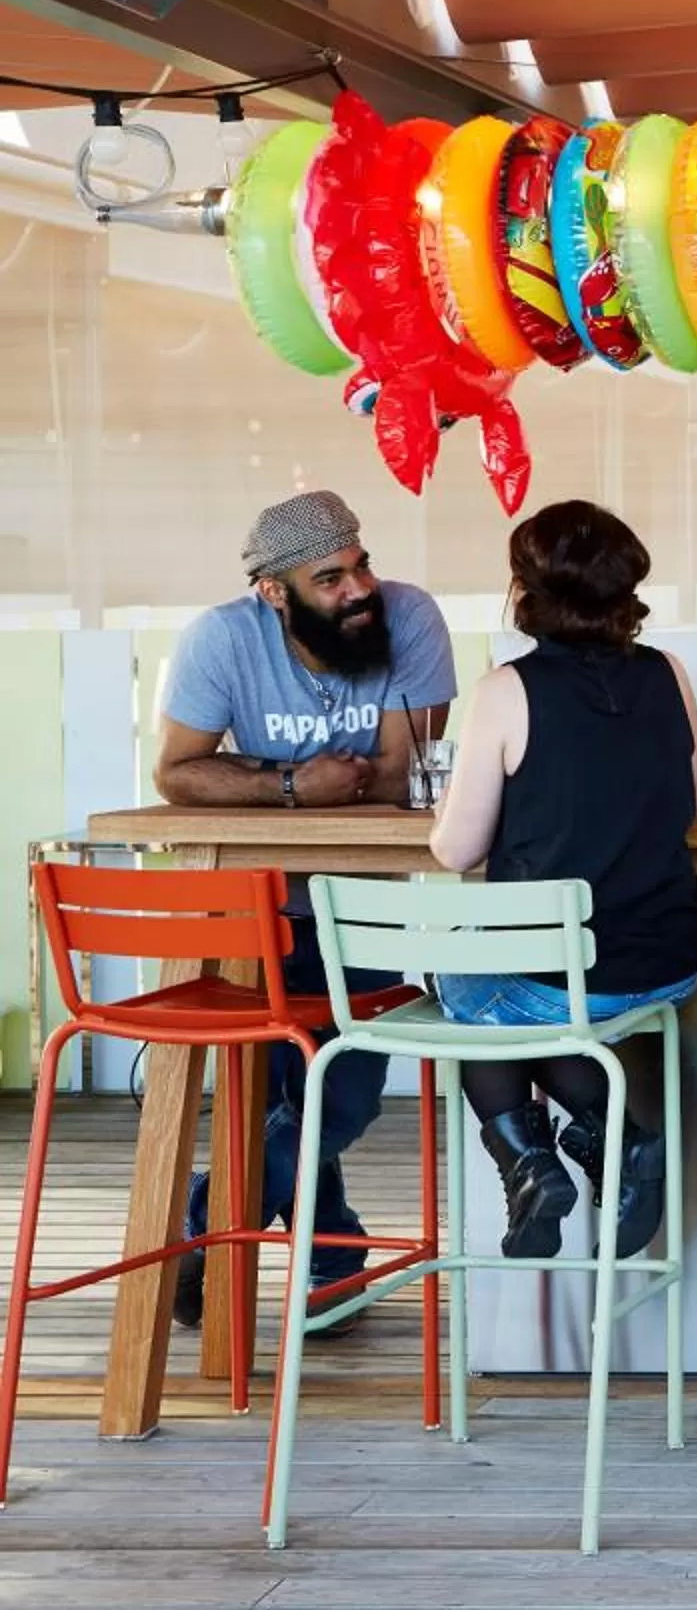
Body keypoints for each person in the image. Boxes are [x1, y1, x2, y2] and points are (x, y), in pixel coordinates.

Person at [155, 490, 456, 1331]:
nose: (360, 589)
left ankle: (205, 1224)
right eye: (331, 578)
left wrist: (253, 780)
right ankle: (333, 1255)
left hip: (363, 900)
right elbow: (176, 773)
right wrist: (294, 785)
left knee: (344, 1090)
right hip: (251, 905)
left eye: (361, 565)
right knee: (277, 1093)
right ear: (273, 592)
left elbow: (399, 778)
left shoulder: (410, 619)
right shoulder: (221, 639)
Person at [428, 500, 697, 1261]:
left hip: (559, 975)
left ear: (525, 591)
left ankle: (543, 1159)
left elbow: (456, 850)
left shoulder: (505, 690)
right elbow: (693, 803)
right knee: (523, 1002)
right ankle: (601, 1143)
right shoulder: (669, 675)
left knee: (471, 988)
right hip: (666, 963)